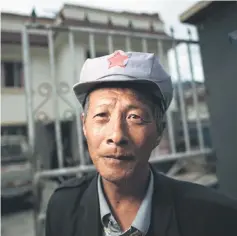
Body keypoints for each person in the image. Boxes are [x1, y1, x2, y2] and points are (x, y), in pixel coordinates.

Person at [45, 50, 237, 236]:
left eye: (135, 117)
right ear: (84, 126)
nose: (117, 135)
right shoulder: (63, 206)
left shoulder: (212, 217)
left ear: (159, 130)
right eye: (102, 115)